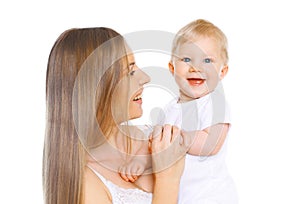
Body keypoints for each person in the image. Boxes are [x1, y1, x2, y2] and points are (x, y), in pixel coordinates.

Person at [43, 27, 187, 204]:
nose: (145, 77)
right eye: (130, 72)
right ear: (97, 88)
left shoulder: (152, 137)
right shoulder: (87, 184)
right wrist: (168, 179)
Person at [119, 19, 238, 203]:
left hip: (212, 197)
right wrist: (140, 161)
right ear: (172, 68)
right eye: (187, 59)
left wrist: (177, 138)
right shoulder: (169, 109)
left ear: (222, 72)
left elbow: (211, 144)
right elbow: (155, 146)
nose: (196, 67)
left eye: (207, 60)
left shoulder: (214, 103)